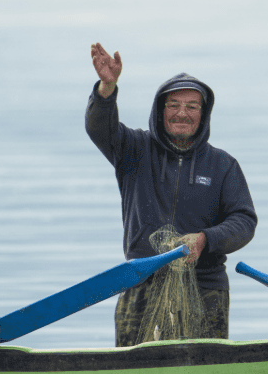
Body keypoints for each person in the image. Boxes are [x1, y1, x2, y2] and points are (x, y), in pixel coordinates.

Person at [86, 43, 257, 346]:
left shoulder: (223, 165)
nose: (182, 113)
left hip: (206, 288)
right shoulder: (133, 150)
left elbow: (244, 221)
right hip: (141, 284)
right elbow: (100, 128)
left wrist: (206, 238)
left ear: (203, 114)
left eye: (192, 107)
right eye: (174, 105)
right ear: (160, 110)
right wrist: (107, 89)